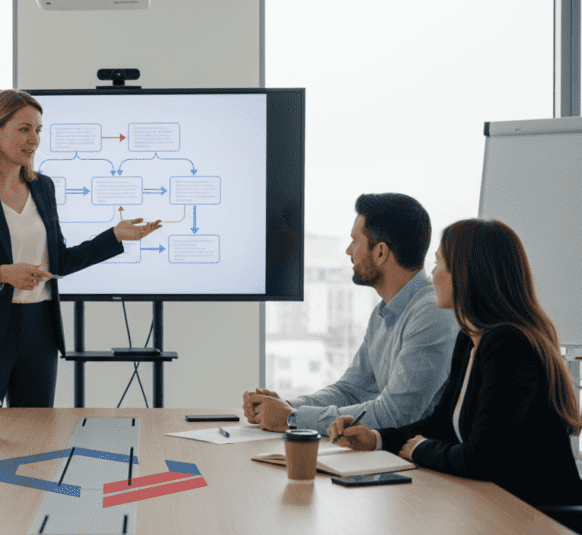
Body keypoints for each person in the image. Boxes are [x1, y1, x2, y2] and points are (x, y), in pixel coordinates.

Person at [329, 219, 582, 507]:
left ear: (464, 274)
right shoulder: (471, 339)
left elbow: (484, 458)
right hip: (498, 506)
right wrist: (375, 438)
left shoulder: (508, 345)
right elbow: (441, 423)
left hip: (543, 521)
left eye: (439, 264)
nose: (433, 273)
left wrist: (420, 450)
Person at [0, 89, 162, 407]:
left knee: (37, 442)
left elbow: (60, 262)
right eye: (24, 129)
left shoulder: (43, 187)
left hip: (38, 331)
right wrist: (3, 273)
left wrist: (114, 237)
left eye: (38, 130)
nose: (34, 140)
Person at [244, 193, 460, 434]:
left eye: (355, 241)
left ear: (380, 252)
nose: (348, 251)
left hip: (420, 463)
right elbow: (350, 390)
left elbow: (395, 414)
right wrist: (284, 407)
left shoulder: (432, 313)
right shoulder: (383, 313)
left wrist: (292, 418)